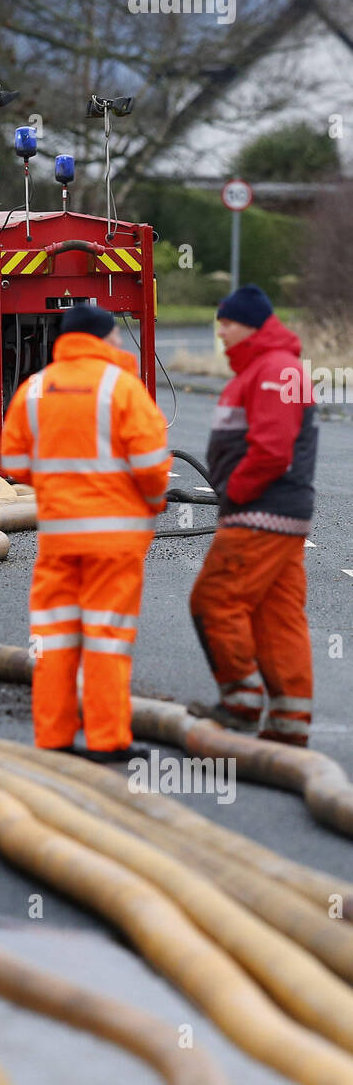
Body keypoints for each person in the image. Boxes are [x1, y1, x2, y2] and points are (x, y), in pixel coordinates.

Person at [0, 304, 171, 761]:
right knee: (105, 636)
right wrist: (152, 504)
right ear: (104, 338)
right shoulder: (122, 387)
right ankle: (107, 738)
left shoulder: (35, 389)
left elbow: (13, 463)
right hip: (115, 541)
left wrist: (60, 490)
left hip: (58, 539)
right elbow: (154, 467)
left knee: (52, 637)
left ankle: (53, 737)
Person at [189, 285, 318, 745]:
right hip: (278, 516)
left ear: (251, 325)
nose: (220, 331)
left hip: (260, 514)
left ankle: (241, 702)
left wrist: (235, 495)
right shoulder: (269, 369)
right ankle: (289, 722)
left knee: (214, 601)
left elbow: (271, 452)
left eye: (227, 322)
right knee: (275, 615)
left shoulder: (273, 371)